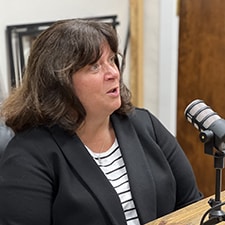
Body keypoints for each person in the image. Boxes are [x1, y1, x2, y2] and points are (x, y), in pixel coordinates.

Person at [0, 19, 202, 225]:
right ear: (59, 82)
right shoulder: (28, 155)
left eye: (112, 60)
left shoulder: (145, 124)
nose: (114, 73)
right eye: (94, 66)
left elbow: (192, 204)